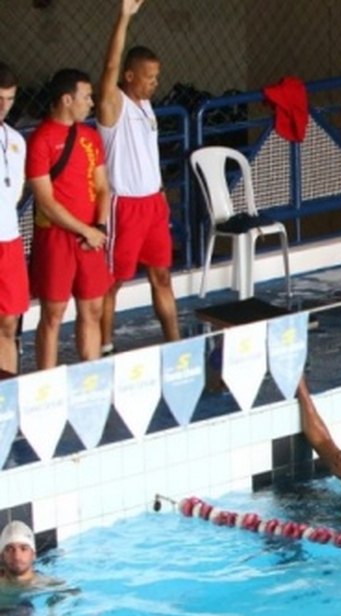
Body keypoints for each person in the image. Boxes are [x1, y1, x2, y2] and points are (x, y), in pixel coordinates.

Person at [96, 0, 179, 356]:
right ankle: (106, 347)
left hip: (152, 204)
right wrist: (123, 17)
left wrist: (160, 193)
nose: (154, 84)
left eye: (156, 77)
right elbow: (110, 64)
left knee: (162, 276)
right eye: (149, 77)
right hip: (124, 207)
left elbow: (149, 157)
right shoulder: (113, 107)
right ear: (130, 76)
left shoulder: (147, 107)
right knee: (112, 283)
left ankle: (176, 345)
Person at [26, 69, 112, 370]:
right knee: (53, 313)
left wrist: (98, 227)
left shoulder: (90, 137)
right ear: (66, 99)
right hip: (56, 238)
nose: (91, 103)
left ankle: (92, 377)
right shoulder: (40, 141)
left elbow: (103, 187)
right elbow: (46, 203)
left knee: (92, 309)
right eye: (86, 96)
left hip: (91, 237)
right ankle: (46, 386)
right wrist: (85, 230)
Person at [0, 64, 30, 376]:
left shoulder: (16, 141)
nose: (3, 106)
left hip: (8, 240)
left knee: (9, 321)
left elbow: (17, 191)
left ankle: (6, 395)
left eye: (9, 99)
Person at [0, 521, 36, 586]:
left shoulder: (50, 587)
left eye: (24, 549)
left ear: (33, 554)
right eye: (10, 549)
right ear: (1, 556)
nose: (17, 557)